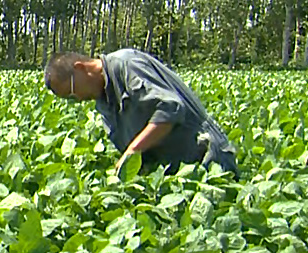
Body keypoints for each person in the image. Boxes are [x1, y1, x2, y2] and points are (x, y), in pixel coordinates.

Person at [44, 48, 239, 178]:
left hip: (208, 163)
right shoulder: (104, 101)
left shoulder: (127, 65)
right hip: (176, 174)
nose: (77, 98)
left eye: (71, 91)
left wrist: (132, 151)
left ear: (80, 68)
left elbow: (170, 109)